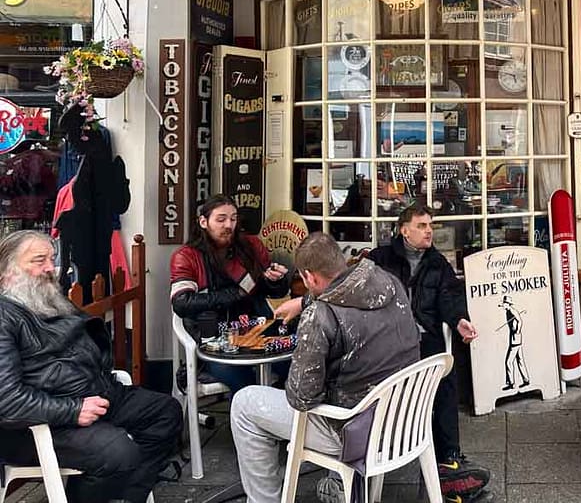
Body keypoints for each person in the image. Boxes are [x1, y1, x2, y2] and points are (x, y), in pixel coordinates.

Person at [230, 231, 420, 503]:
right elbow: (345, 291)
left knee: (244, 404)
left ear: (309, 277)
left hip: (354, 429)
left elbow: (302, 398)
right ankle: (338, 482)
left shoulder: (320, 316)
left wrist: (309, 323)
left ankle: (264, 500)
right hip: (405, 419)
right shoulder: (388, 282)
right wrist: (305, 301)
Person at [0, 230, 182, 503]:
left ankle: (125, 497)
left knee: (166, 413)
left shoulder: (43, 299)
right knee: (119, 453)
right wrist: (73, 410)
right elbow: (8, 401)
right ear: (7, 272)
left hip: (98, 394)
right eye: (39, 261)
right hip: (42, 424)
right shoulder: (5, 317)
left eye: (52, 259)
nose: (51, 268)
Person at [368, 205, 490, 501]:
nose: (429, 231)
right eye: (422, 225)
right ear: (403, 230)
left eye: (430, 225)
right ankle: (384, 444)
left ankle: (449, 457)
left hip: (425, 340)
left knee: (446, 376)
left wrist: (459, 320)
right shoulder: (379, 259)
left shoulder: (437, 262)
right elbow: (353, 290)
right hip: (389, 343)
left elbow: (450, 296)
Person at [170, 194, 290, 392]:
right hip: (215, 341)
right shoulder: (186, 256)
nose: (229, 225)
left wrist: (275, 280)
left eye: (233, 219)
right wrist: (236, 294)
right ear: (203, 222)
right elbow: (183, 303)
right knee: (246, 384)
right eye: (221, 219)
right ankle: (247, 420)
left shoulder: (251, 246)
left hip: (258, 330)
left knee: (294, 366)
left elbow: (274, 292)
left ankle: (282, 418)